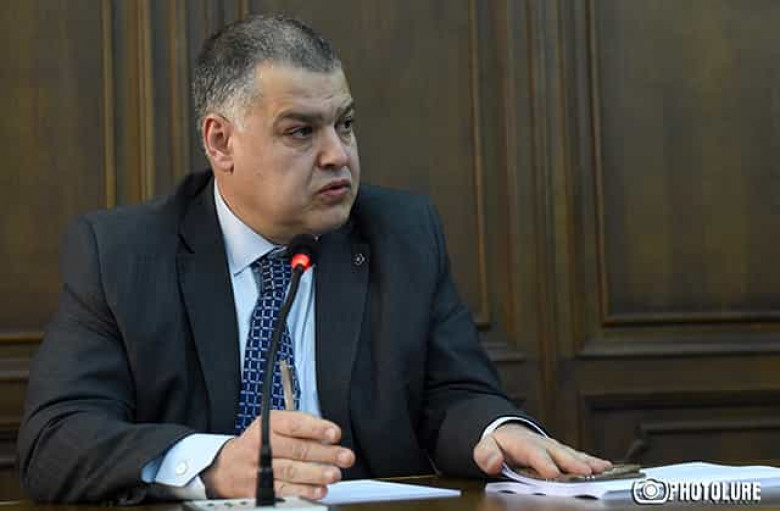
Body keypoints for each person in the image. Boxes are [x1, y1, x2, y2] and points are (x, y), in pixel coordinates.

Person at [17, 14, 610, 504]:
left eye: (344, 125)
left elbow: (454, 394)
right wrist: (216, 465)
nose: (337, 155)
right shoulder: (123, 254)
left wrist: (497, 430)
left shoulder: (401, 234)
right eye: (301, 132)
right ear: (221, 141)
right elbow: (55, 441)